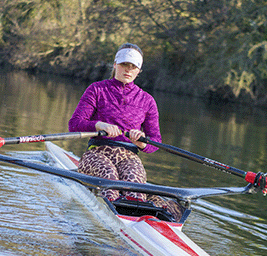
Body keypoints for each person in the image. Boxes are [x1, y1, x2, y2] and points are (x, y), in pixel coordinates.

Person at [68, 43, 182, 221]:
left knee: (134, 189)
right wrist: (100, 125)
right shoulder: (97, 89)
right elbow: (74, 124)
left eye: (133, 67)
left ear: (139, 70)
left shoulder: (147, 101)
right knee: (110, 180)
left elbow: (155, 142)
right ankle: (114, 211)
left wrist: (141, 142)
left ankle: (140, 215)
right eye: (124, 65)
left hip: (129, 156)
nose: (128, 70)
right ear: (115, 65)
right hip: (97, 152)